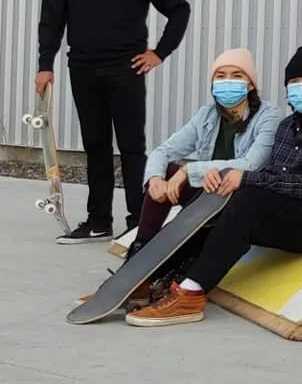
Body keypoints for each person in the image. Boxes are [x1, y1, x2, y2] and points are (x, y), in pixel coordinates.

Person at [121, 44, 302, 327]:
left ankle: (191, 293)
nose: (301, 88)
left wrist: (246, 179)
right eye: (295, 82)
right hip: (292, 210)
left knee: (246, 197)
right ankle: (145, 278)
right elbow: (275, 174)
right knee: (219, 208)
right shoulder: (288, 127)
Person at [78, 48, 285, 309]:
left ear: (251, 84)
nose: (227, 82)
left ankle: (152, 275)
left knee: (180, 173)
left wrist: (189, 170)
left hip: (239, 196)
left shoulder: (269, 116)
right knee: (166, 172)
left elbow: (252, 164)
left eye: (237, 75)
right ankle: (137, 265)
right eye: (221, 76)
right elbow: (163, 151)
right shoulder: (207, 115)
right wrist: (155, 180)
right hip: (207, 193)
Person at [37, 0, 192, 243]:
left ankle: (138, 220)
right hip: (83, 67)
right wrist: (45, 65)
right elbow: (52, 17)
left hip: (126, 69)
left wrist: (159, 53)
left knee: (132, 146)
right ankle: (98, 221)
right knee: (95, 145)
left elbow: (178, 9)